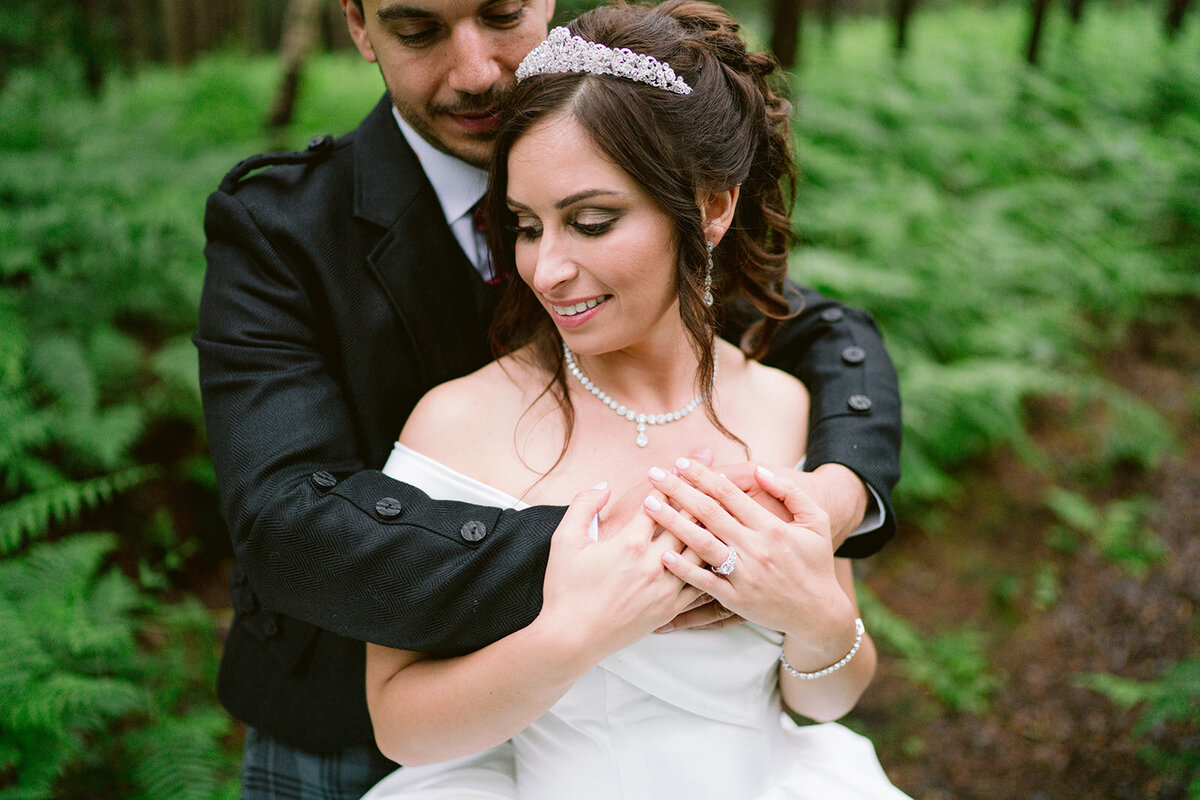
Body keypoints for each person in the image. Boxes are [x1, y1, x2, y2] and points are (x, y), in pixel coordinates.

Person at [195, 0, 901, 796]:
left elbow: (827, 333)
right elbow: (285, 520)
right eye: (522, 226)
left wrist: (837, 505)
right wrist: (633, 555)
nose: (474, 73)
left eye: (500, 15)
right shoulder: (282, 231)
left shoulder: (762, 384)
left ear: (709, 207)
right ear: (357, 25)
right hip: (343, 724)